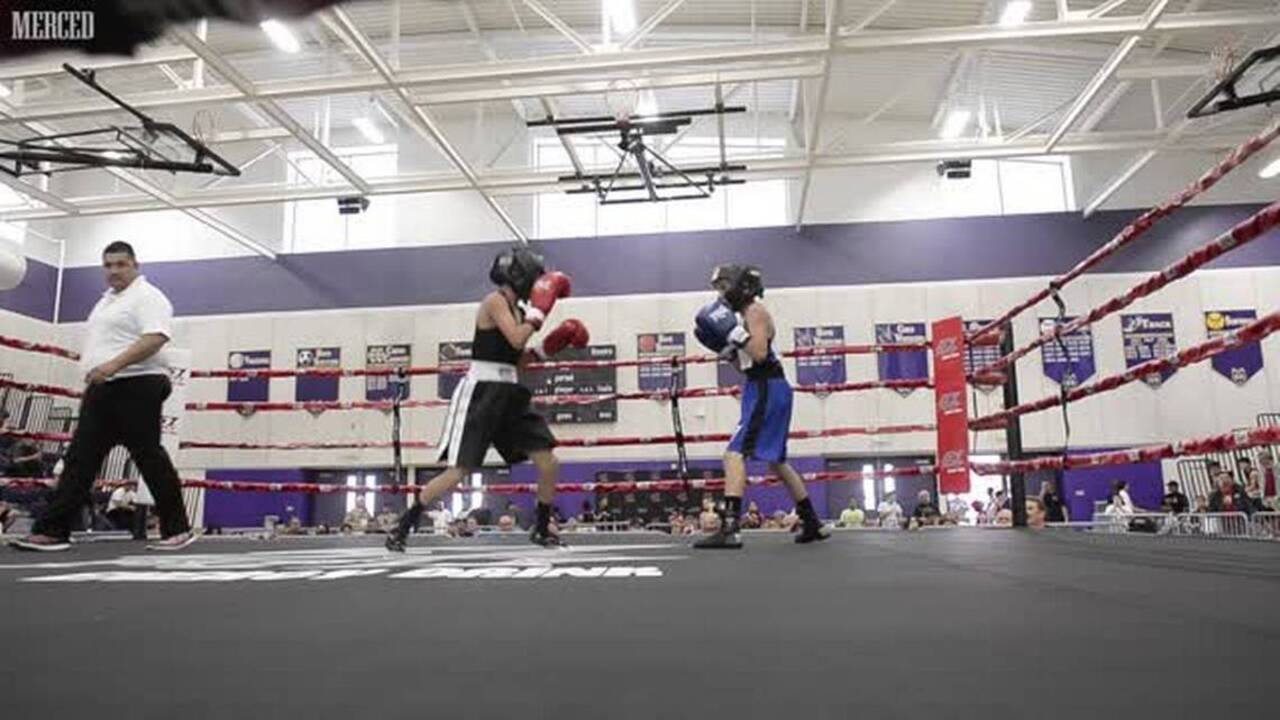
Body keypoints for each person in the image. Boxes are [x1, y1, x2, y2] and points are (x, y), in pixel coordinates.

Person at [386, 247, 587, 552]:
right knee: (459, 472)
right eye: (535, 278)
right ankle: (402, 527)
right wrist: (540, 314)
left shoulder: (520, 310)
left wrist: (550, 347)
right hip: (482, 393)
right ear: (520, 275)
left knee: (548, 462)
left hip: (511, 393)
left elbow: (518, 359)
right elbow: (518, 337)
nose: (537, 285)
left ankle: (542, 529)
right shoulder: (495, 302)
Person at [11, 242, 195, 552]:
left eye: (121, 265)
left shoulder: (147, 297)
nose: (114, 271)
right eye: (108, 265)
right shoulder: (107, 302)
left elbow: (156, 337)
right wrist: (99, 372)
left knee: (149, 458)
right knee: (79, 460)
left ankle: (177, 529)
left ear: (135, 265)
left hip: (137, 385)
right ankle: (52, 531)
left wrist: (110, 366)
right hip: (104, 389)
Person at [691, 264, 826, 548]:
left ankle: (730, 528)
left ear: (742, 286)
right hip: (763, 386)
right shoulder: (744, 316)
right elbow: (747, 360)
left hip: (767, 386)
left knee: (734, 454)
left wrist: (732, 333)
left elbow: (761, 354)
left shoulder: (755, 312)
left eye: (725, 286)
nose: (722, 294)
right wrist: (725, 346)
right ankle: (811, 521)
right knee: (776, 461)